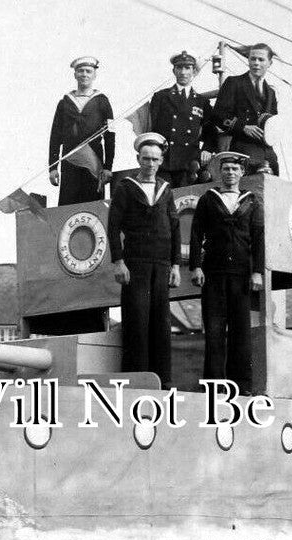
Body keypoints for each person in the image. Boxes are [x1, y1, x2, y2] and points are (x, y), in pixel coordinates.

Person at [107, 133, 180, 387]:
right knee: (137, 320)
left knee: (161, 322)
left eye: (155, 159)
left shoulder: (166, 189)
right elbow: (113, 226)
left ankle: (163, 381)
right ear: (138, 158)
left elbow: (174, 227)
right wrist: (118, 261)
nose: (150, 164)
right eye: (146, 159)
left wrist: (176, 265)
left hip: (161, 264)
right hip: (135, 263)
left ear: (161, 161)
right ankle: (135, 380)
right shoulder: (125, 188)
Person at [188, 151, 264, 394]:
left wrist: (257, 272)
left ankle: (241, 386)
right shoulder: (208, 199)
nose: (230, 173)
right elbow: (196, 233)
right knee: (215, 330)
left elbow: (259, 239)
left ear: (242, 172)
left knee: (241, 331)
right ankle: (214, 386)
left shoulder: (252, 201)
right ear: (220, 172)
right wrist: (196, 266)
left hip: (241, 274)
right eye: (226, 169)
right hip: (214, 273)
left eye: (235, 169)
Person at [48, 56, 115, 206]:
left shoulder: (102, 101)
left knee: (94, 205)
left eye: (88, 71)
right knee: (67, 206)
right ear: (75, 74)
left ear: (94, 75)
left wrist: (108, 167)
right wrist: (52, 167)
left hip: (94, 161)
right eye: (80, 71)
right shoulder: (64, 102)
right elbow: (55, 136)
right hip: (70, 161)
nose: (84, 74)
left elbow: (110, 136)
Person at [149, 51, 214, 189]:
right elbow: (151, 128)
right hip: (165, 161)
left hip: (189, 163)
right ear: (174, 70)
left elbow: (211, 129)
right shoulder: (161, 97)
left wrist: (207, 149)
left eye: (187, 68)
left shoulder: (201, 101)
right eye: (179, 68)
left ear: (194, 71)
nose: (183, 72)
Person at [213, 43, 279, 175]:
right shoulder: (234, 83)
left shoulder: (271, 92)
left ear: (269, 63)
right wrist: (243, 127)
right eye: (252, 59)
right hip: (242, 149)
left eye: (261, 60)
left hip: (268, 153)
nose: (256, 63)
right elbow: (218, 115)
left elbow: (274, 123)